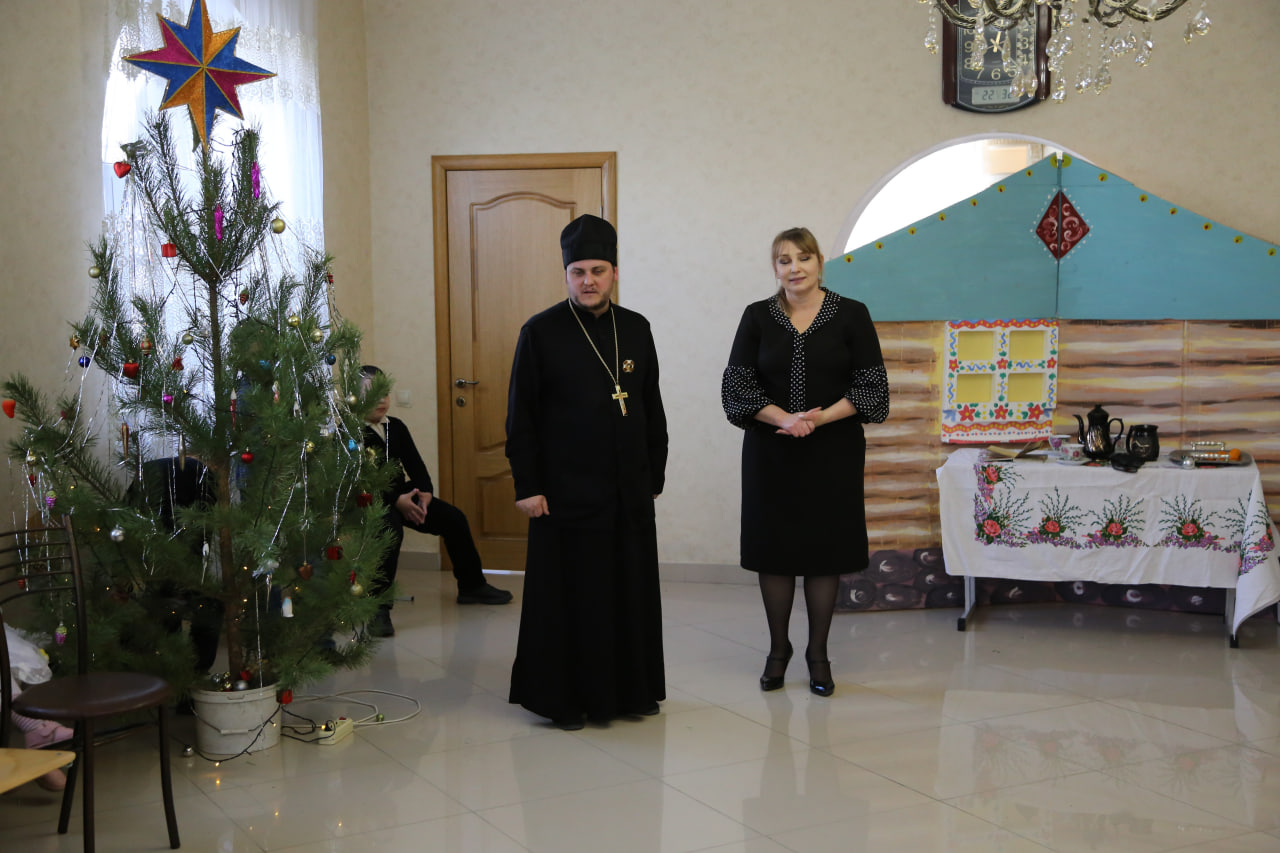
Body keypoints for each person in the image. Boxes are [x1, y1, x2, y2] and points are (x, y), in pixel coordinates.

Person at [505, 214, 669, 730]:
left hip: (628, 490)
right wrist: (528, 485)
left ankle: (629, 692)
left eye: (598, 271)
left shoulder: (636, 328)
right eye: (578, 272)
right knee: (573, 599)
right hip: (564, 493)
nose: (588, 281)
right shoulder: (540, 332)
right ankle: (566, 700)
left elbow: (650, 406)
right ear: (566, 276)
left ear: (614, 272)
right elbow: (521, 416)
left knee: (627, 592)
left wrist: (654, 472)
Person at [721, 227, 889, 697]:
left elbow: (872, 389)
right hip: (770, 451)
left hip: (832, 452)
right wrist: (785, 419)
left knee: (824, 552)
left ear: (819, 262)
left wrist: (817, 420)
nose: (794, 268)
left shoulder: (852, 314)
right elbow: (737, 387)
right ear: (774, 268)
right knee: (773, 551)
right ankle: (778, 650)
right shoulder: (757, 316)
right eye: (784, 260)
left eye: (803, 257)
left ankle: (818, 654)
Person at [361, 365, 512, 637]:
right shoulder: (349, 433)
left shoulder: (396, 427)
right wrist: (396, 502)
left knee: (454, 518)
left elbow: (415, 465)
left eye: (385, 393)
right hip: (371, 501)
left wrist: (425, 492)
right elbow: (360, 482)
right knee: (389, 531)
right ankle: (378, 609)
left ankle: (472, 585)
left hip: (403, 495)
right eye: (373, 394)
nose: (382, 400)